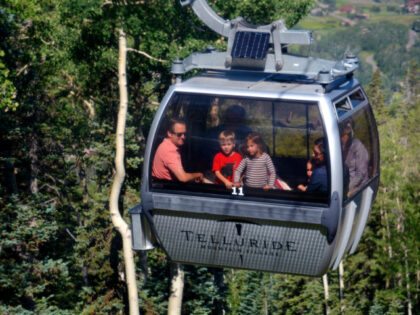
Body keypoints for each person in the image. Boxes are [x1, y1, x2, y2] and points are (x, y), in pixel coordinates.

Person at [152, 117, 203, 182]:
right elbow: (183, 178)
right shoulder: (169, 151)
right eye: (179, 134)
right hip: (166, 188)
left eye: (185, 134)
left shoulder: (165, 144)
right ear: (169, 134)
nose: (183, 137)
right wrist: (199, 175)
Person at [340, 118, 369, 195]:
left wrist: (347, 189)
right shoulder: (338, 146)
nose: (342, 137)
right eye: (341, 134)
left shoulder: (358, 147)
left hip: (354, 188)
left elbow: (361, 174)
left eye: (345, 135)